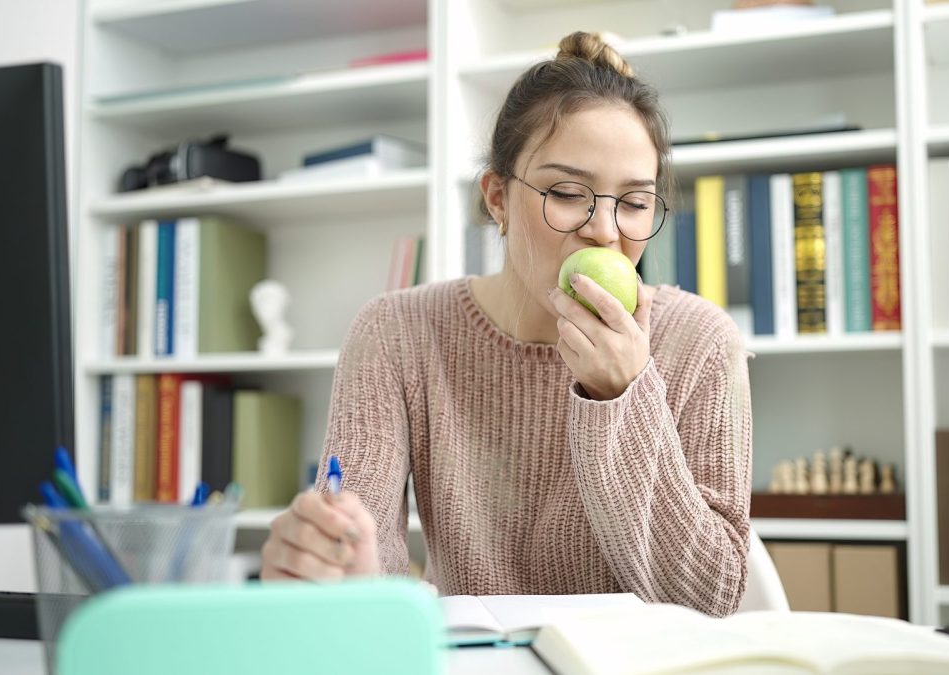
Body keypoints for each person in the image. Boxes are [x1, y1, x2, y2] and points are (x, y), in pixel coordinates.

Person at [260, 30, 753, 617]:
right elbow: (363, 568)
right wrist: (338, 568)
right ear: (497, 197)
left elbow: (710, 598)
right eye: (569, 192)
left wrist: (625, 394)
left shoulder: (699, 340)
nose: (604, 230)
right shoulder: (398, 333)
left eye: (635, 201)